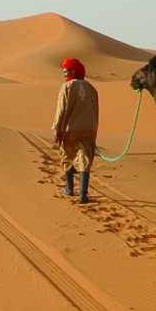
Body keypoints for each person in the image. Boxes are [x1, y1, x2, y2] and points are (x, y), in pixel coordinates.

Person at [51, 56, 101, 203]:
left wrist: (56, 128)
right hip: (88, 128)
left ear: (73, 71)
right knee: (85, 158)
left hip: (70, 128)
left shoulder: (67, 87)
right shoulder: (92, 88)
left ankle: (69, 189)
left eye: (66, 71)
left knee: (67, 156)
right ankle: (83, 194)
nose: (64, 74)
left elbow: (61, 109)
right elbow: (95, 110)